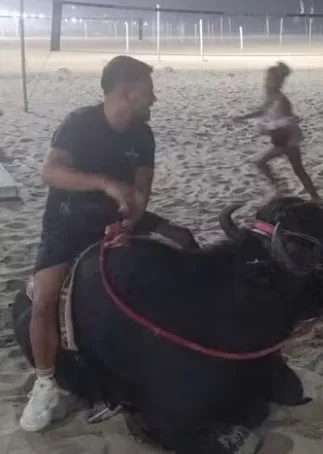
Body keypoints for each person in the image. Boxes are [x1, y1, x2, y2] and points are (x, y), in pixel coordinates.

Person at [20, 55, 199, 433]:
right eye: (149, 91)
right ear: (126, 90)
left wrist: (128, 224)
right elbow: (49, 171)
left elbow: (141, 192)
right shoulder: (79, 123)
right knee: (45, 298)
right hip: (67, 224)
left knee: (180, 242)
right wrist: (104, 183)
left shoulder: (142, 135)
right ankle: (45, 383)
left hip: (115, 221)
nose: (155, 98)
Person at [233, 62, 320, 202]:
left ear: (275, 82)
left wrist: (267, 128)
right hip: (283, 138)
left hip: (287, 139)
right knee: (297, 169)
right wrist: (242, 117)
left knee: (262, 162)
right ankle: (312, 196)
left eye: (268, 79)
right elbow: (262, 111)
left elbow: (288, 121)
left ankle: (281, 188)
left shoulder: (281, 99)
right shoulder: (272, 96)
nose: (265, 82)